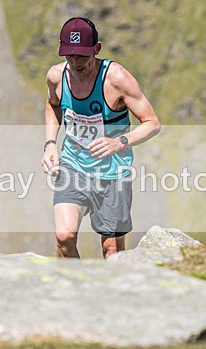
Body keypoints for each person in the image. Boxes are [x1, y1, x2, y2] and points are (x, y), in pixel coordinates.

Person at [41, 17, 161, 258]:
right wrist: (50, 144)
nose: (75, 62)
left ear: (96, 49)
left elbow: (152, 123)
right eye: (69, 55)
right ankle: (72, 282)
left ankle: (112, 284)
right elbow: (53, 106)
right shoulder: (56, 76)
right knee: (64, 236)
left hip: (113, 172)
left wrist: (119, 142)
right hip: (73, 166)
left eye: (82, 56)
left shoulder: (117, 79)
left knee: (111, 249)